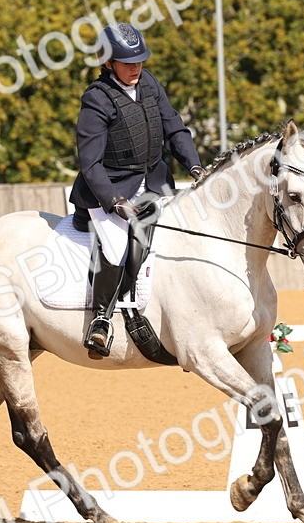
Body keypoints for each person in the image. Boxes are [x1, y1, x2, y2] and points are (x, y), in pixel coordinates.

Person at [69, 23, 204, 356]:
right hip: (109, 190)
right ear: (107, 62)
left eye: (139, 61)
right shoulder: (96, 99)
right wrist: (115, 202)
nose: (135, 68)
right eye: (127, 62)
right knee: (116, 245)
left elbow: (175, 129)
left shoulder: (150, 84)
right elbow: (90, 164)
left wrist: (196, 167)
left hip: (155, 183)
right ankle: (101, 319)